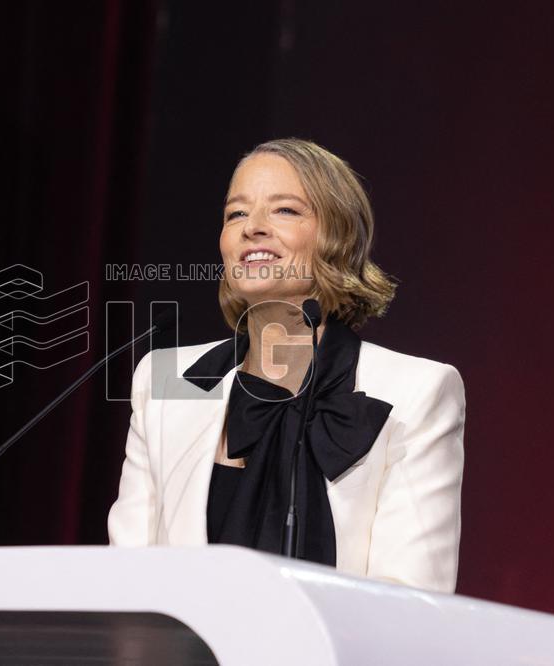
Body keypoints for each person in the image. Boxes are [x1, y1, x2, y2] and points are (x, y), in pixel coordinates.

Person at [107, 138, 465, 593]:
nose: (252, 227)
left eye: (285, 210)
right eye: (236, 213)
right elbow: (126, 581)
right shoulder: (164, 379)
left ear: (338, 237)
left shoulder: (419, 391)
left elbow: (412, 602)